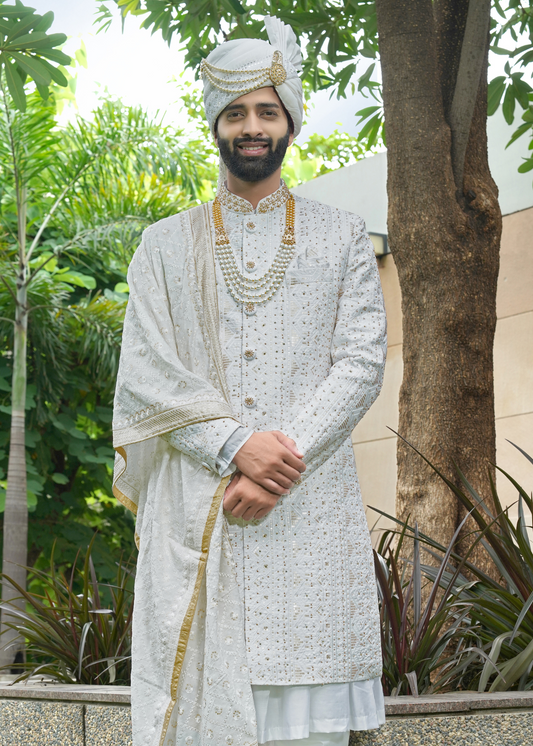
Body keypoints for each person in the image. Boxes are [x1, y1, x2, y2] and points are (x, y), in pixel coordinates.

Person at [112, 16, 387, 746]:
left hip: (308, 520)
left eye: (266, 111)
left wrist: (273, 465)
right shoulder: (164, 246)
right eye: (235, 113)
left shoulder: (342, 234)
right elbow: (145, 373)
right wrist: (234, 444)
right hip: (204, 520)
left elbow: (359, 363)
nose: (252, 126)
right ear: (215, 125)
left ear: (289, 121)